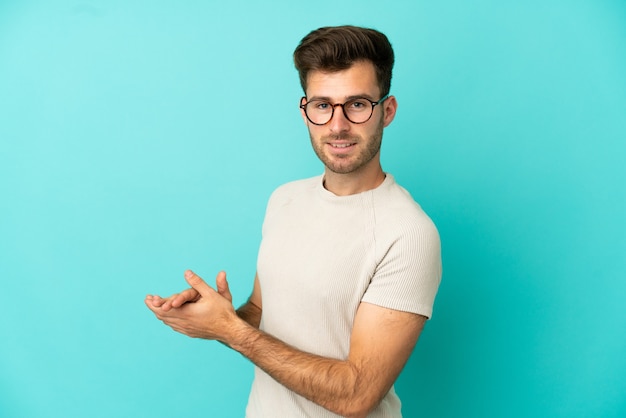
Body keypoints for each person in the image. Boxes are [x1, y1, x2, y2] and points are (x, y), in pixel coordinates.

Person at [145, 25, 442, 418]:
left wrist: (232, 331)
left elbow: (356, 395)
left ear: (386, 111)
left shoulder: (408, 234)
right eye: (322, 105)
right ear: (305, 112)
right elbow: (263, 314)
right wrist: (218, 317)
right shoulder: (285, 199)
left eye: (357, 105)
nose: (337, 126)